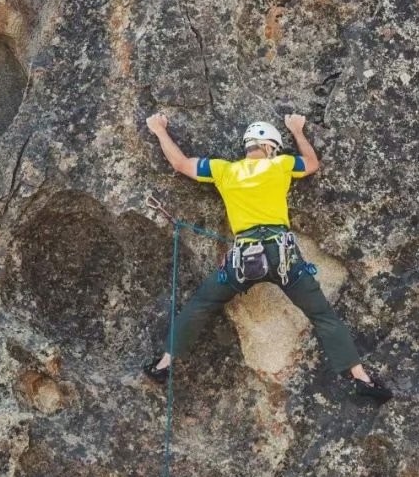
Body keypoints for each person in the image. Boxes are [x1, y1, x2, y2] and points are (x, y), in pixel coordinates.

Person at [142, 112, 392, 401]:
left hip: (244, 258)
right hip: (282, 254)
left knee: (202, 302)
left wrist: (159, 129)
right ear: (271, 147)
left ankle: (163, 365)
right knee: (322, 315)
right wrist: (298, 131)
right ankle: (362, 378)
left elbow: (180, 163)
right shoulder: (281, 165)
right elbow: (312, 164)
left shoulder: (224, 171)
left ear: (248, 145)